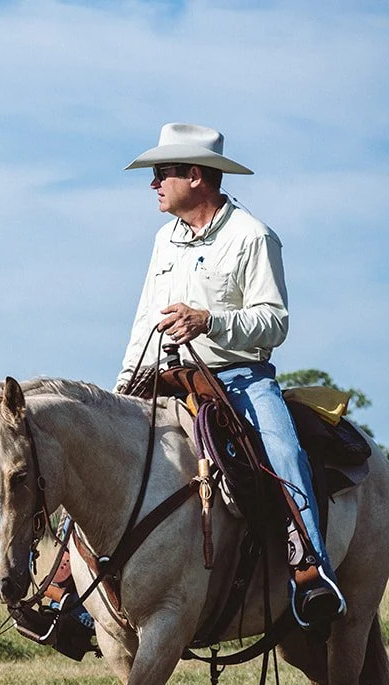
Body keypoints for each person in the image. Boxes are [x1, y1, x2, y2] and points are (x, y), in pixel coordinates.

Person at [116, 123, 343, 627]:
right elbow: (143, 320)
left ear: (194, 176)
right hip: (166, 378)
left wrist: (209, 321)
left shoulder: (253, 236)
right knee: (99, 447)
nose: (153, 184)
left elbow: (275, 321)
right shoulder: (164, 239)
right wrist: (122, 390)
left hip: (240, 378)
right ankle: (74, 596)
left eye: (162, 173)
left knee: (284, 453)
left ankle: (310, 573)